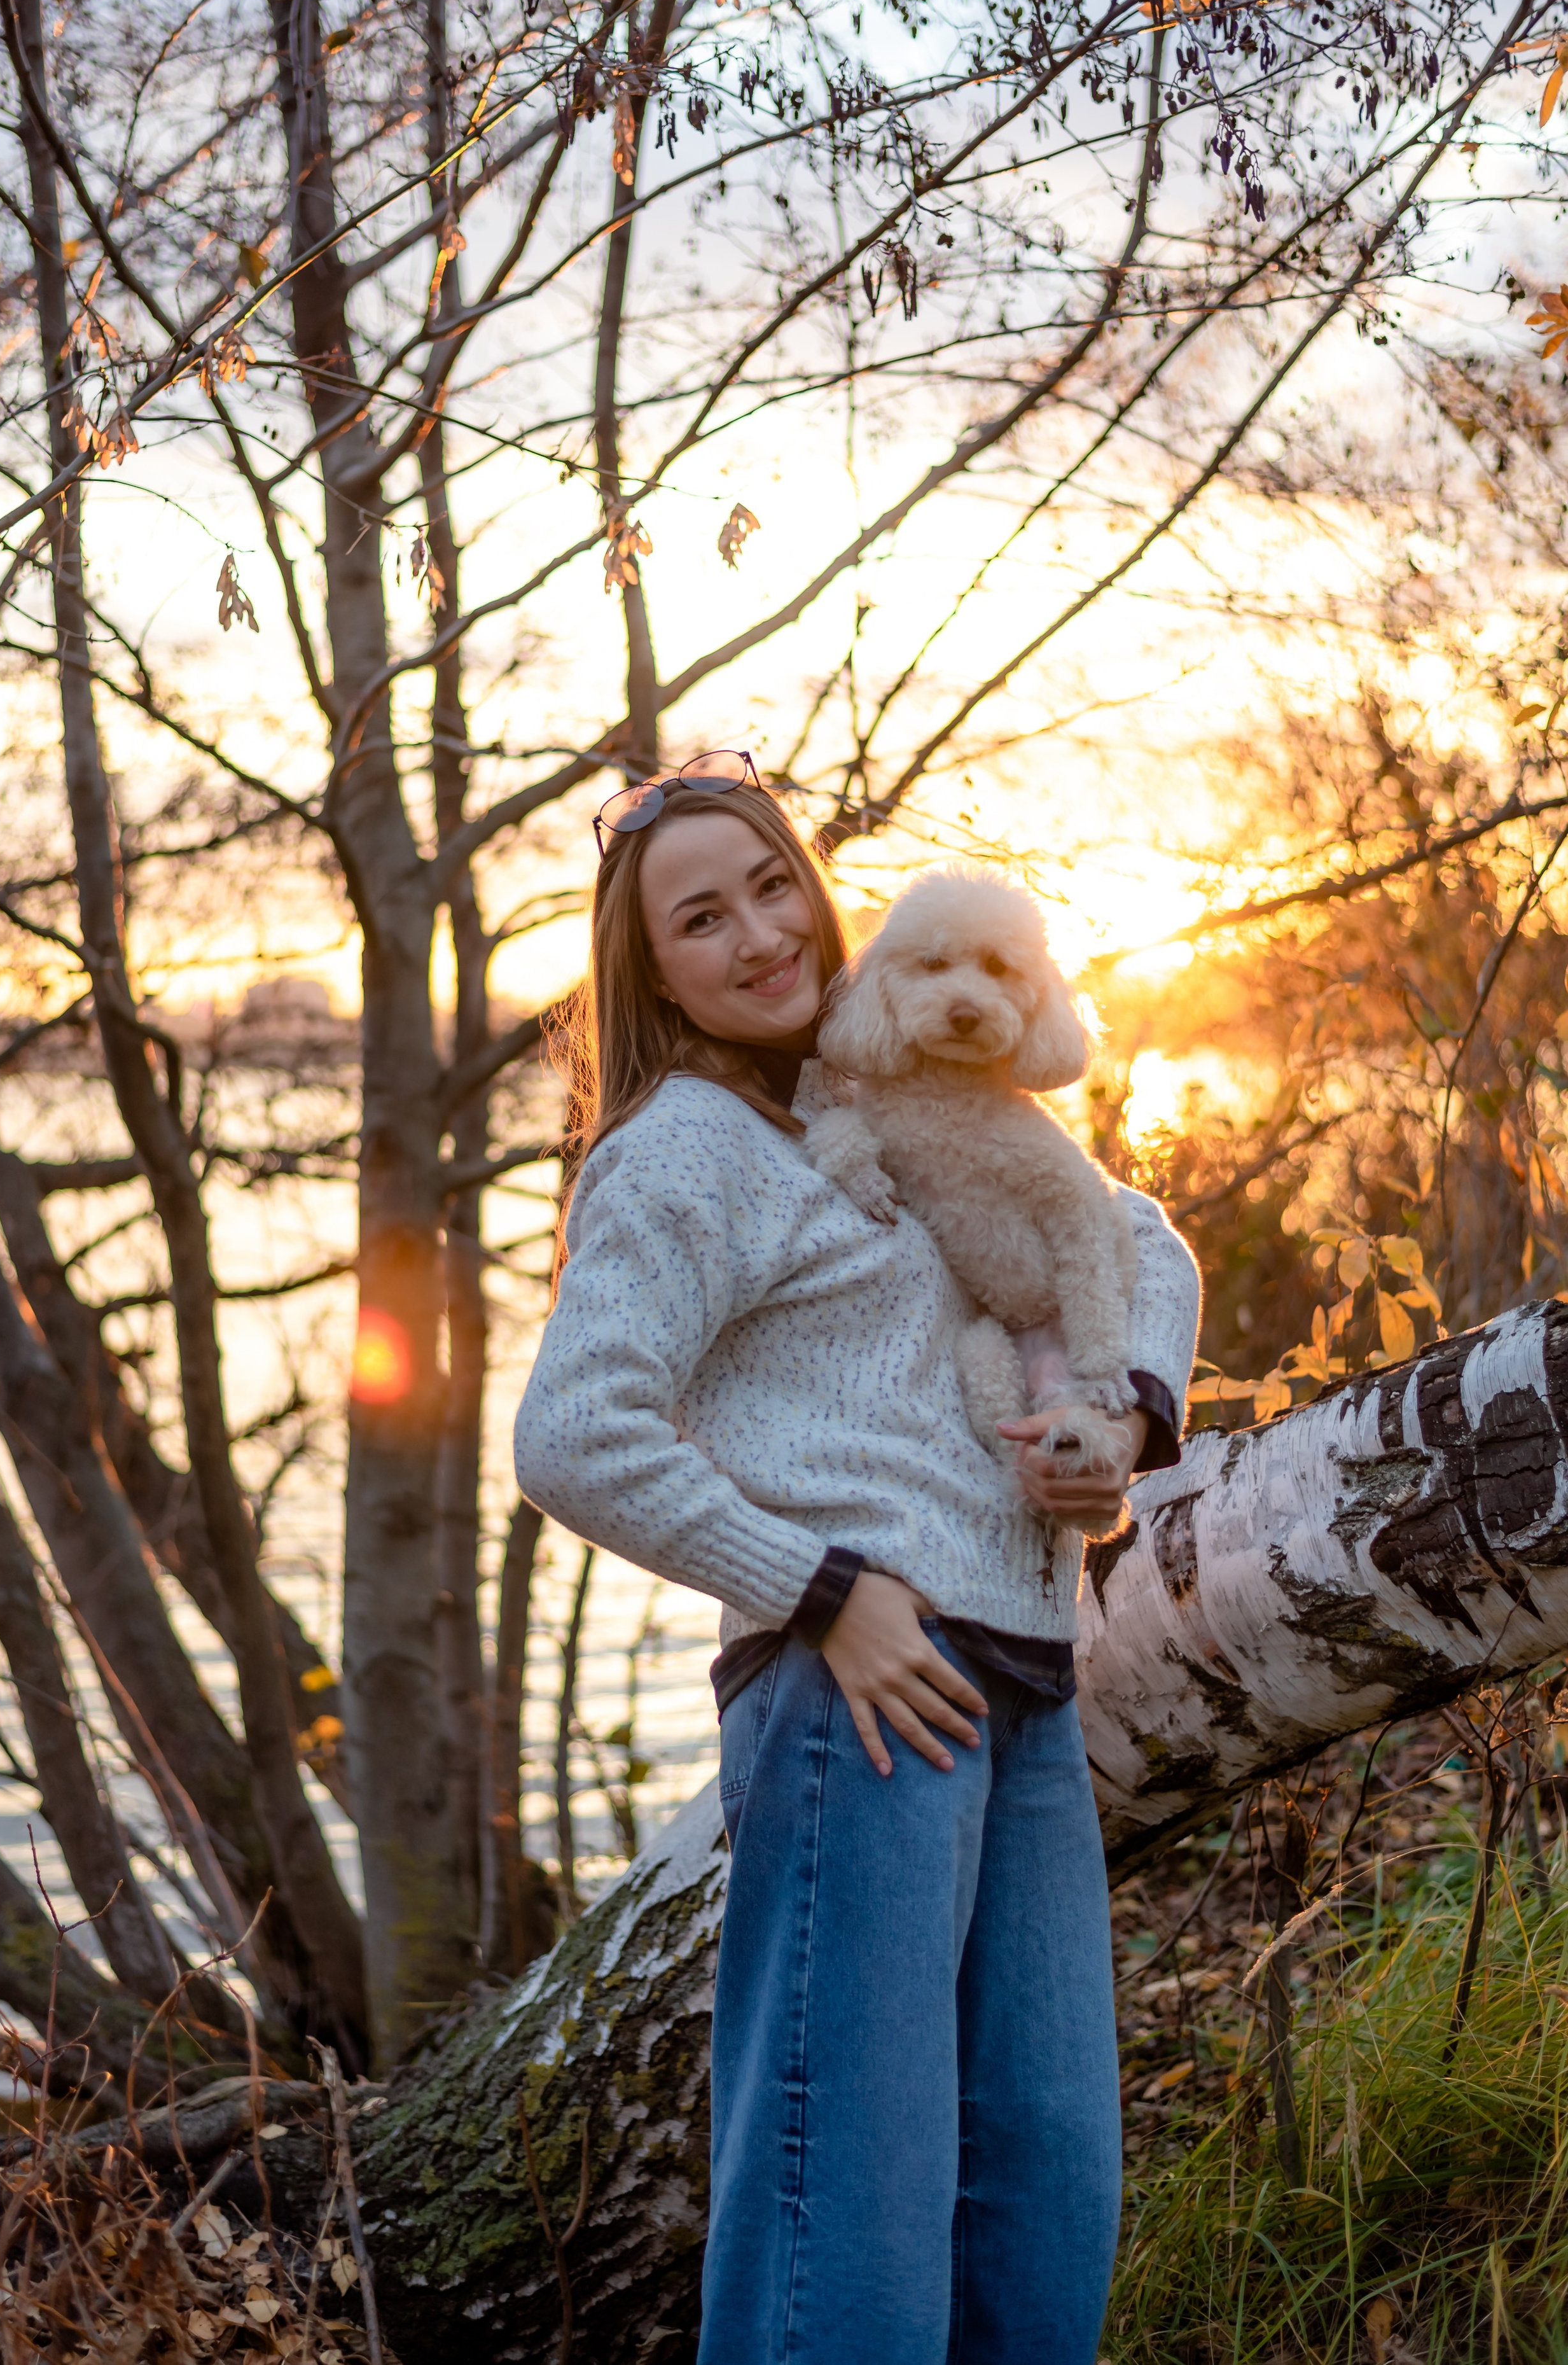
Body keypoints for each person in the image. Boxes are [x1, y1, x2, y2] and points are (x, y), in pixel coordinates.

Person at [513, 753, 1201, 2365]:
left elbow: (1137, 1239)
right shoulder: (684, 1150)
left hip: (1023, 1682)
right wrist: (822, 1587)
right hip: (864, 1703)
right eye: (701, 916)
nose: (757, 935)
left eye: (769, 885)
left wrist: (1117, 1417)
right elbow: (572, 1432)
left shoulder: (890, 1095)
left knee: (1045, 2198)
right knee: (852, 2214)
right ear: (652, 965)